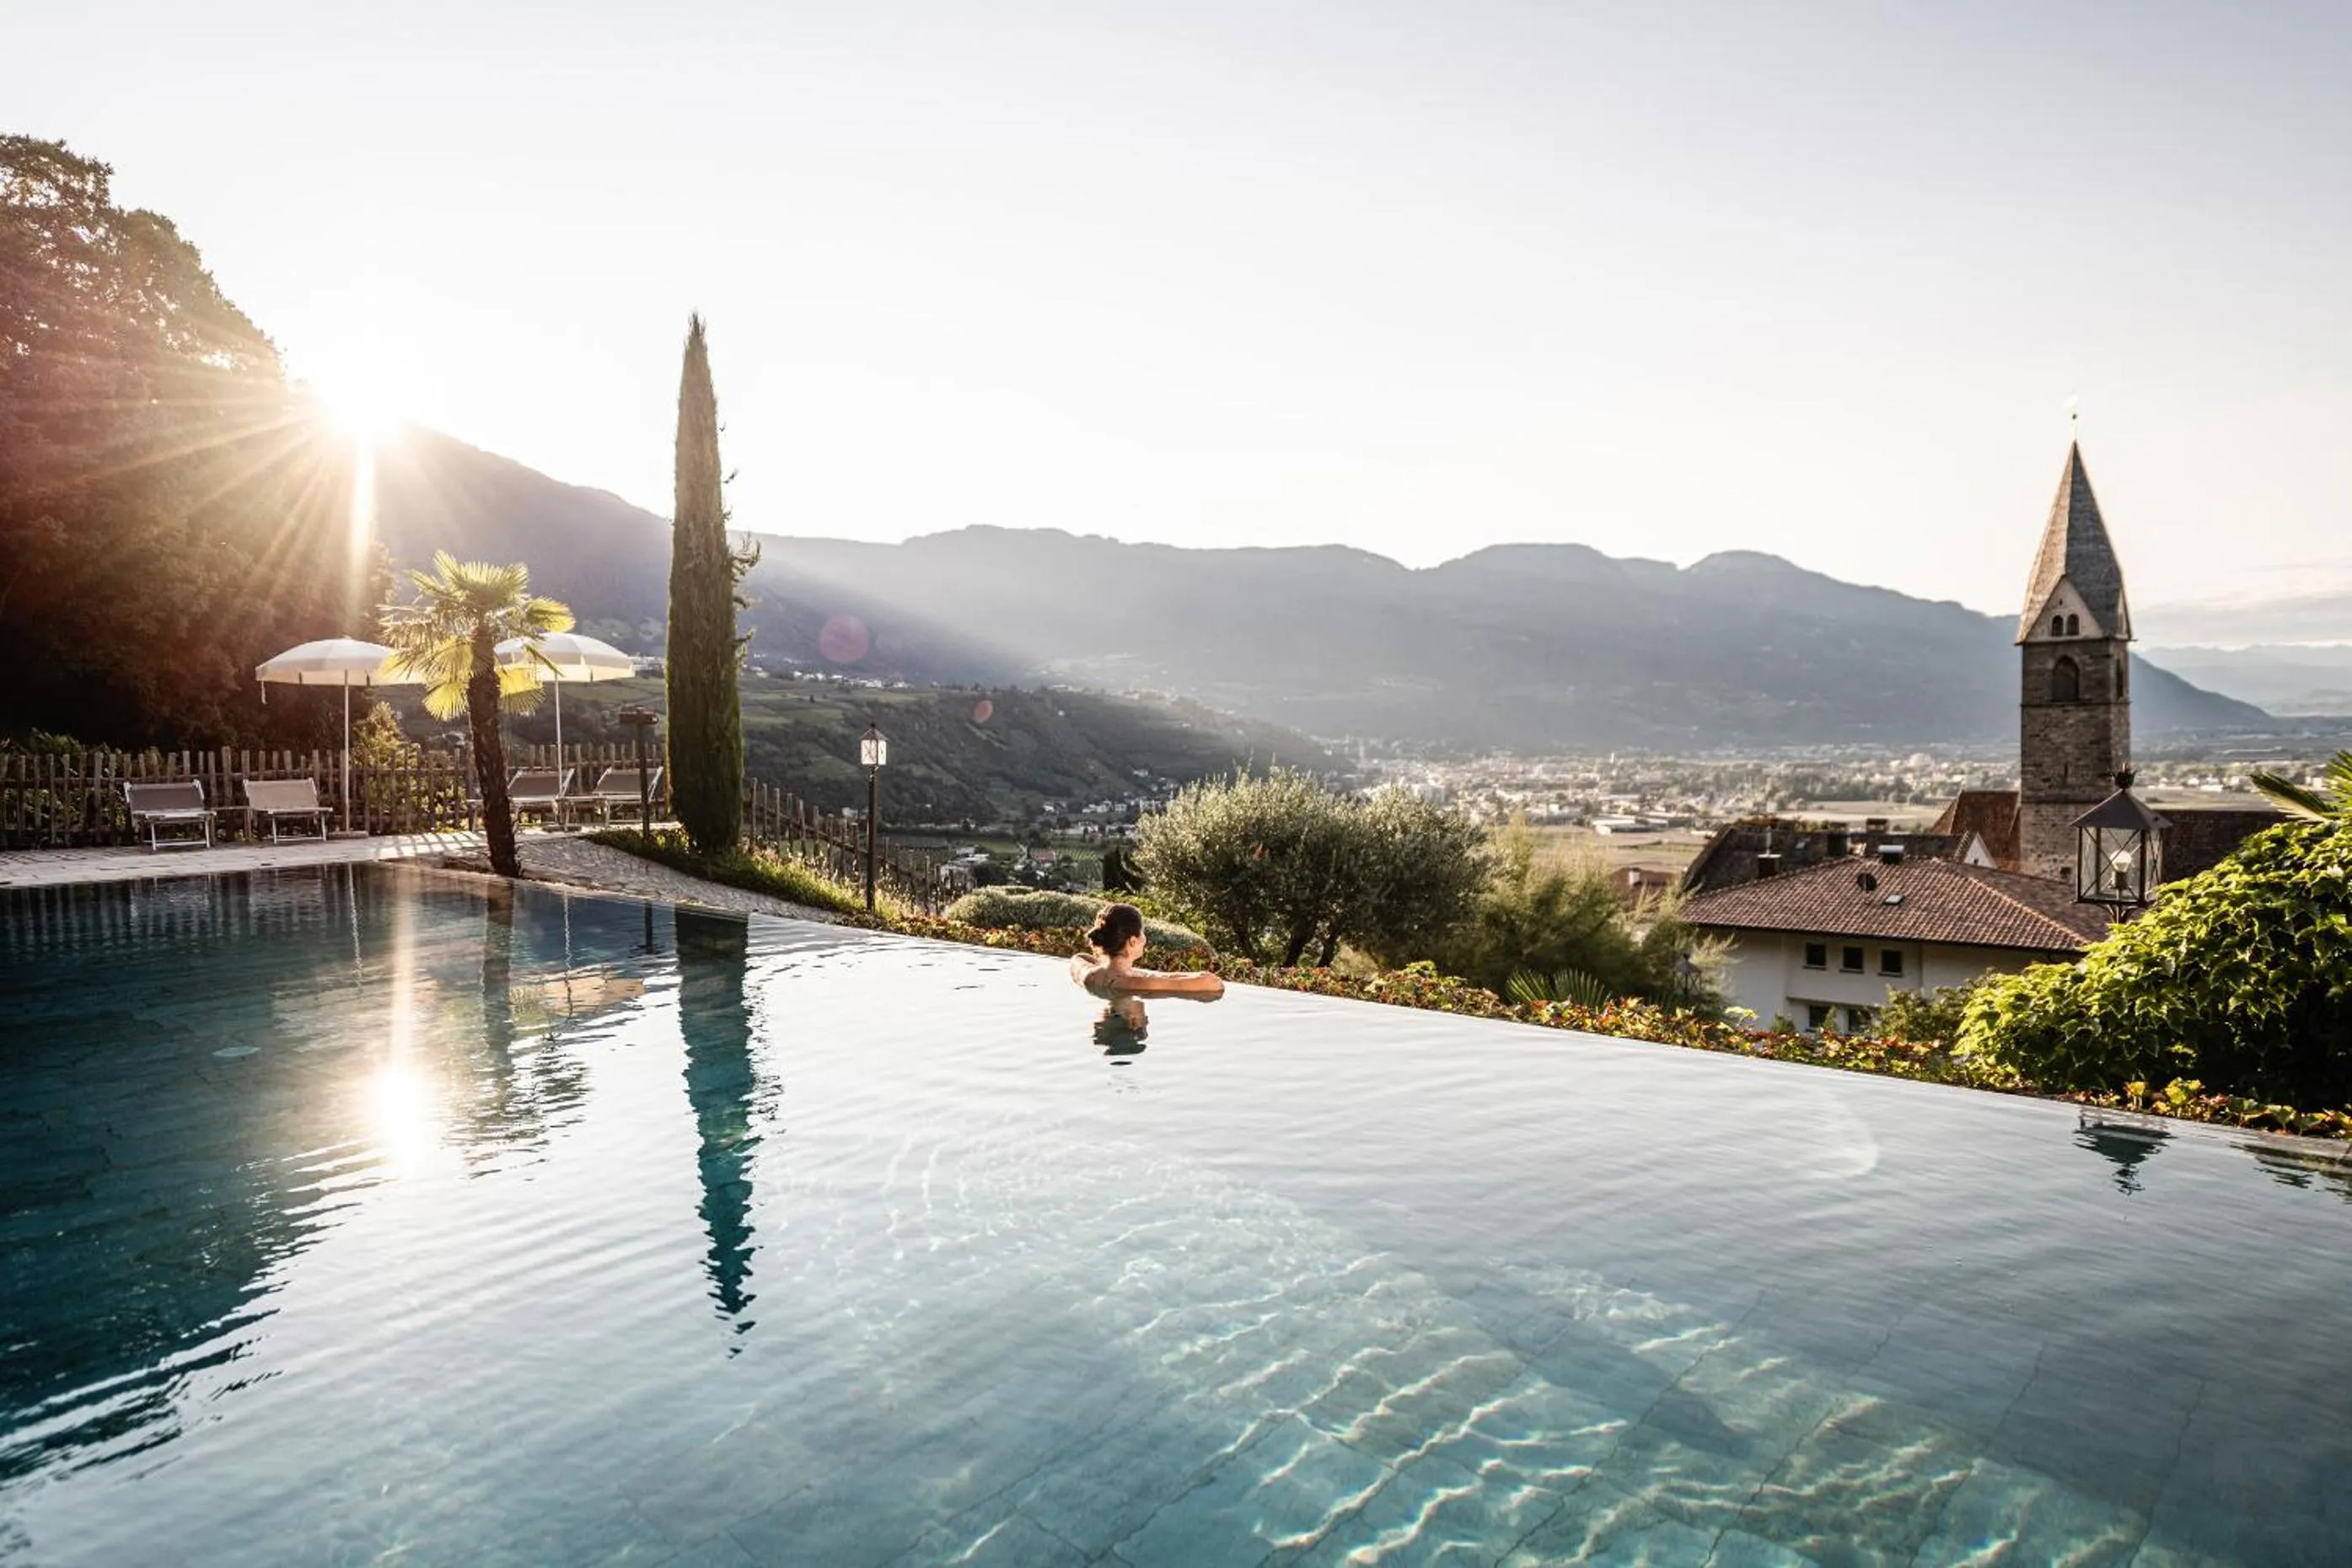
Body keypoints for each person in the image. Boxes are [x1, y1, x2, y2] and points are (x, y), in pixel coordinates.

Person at [1068, 902, 1225, 1001]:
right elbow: (1214, 984)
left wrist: (1125, 969)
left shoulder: (1088, 975)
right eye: (1142, 932)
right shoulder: (1132, 983)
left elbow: (1079, 958)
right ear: (1132, 941)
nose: (1145, 938)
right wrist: (1143, 975)